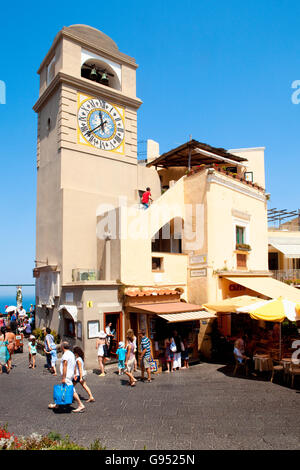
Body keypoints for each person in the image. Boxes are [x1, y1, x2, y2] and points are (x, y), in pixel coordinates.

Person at [48, 341, 85, 413]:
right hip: (70, 374)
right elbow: (74, 365)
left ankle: (80, 405)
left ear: (62, 347)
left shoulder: (65, 355)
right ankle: (57, 404)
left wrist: (63, 378)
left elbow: (65, 366)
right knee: (64, 388)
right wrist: (74, 374)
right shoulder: (71, 354)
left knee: (72, 390)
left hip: (67, 375)